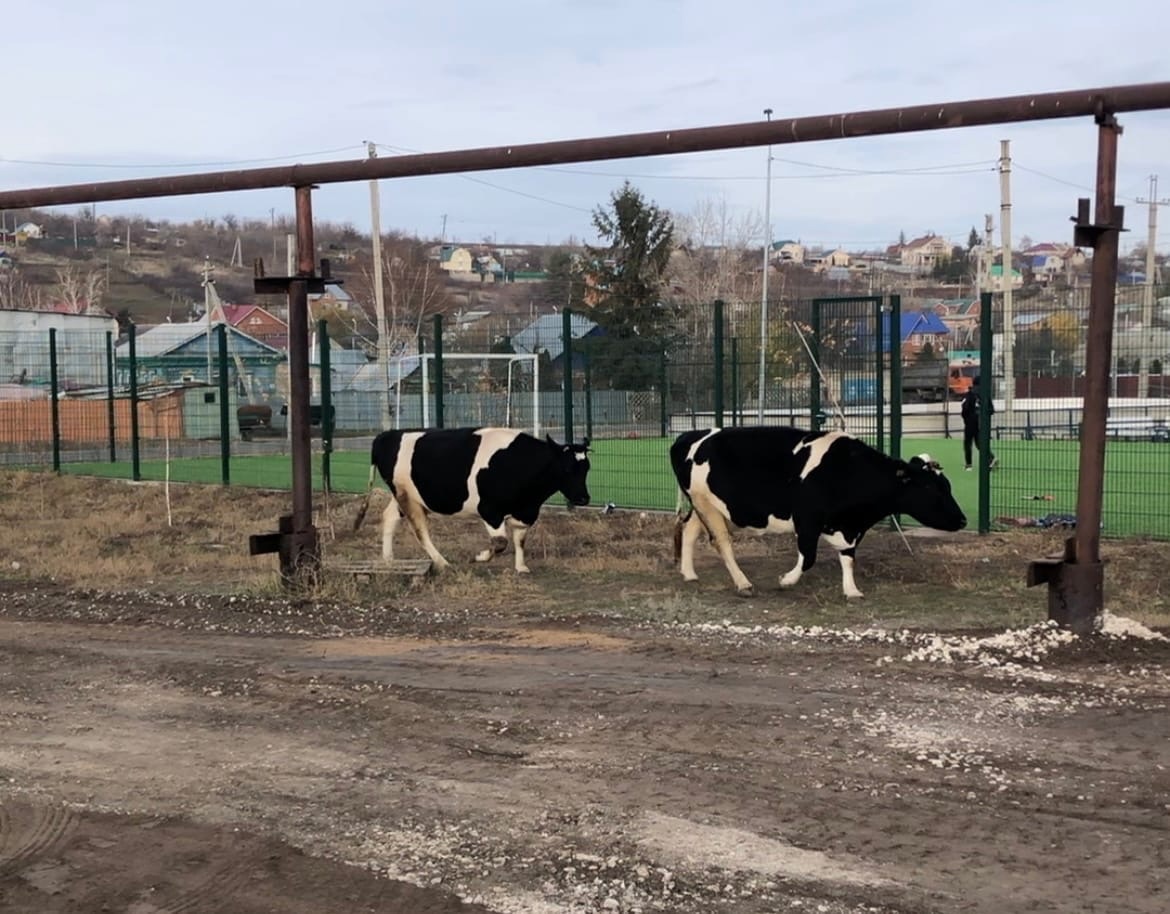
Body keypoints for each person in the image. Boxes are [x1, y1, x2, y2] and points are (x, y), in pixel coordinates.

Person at [961, 376, 997, 471]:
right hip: (982, 423)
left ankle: (969, 465)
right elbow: (991, 410)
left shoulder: (970, 394)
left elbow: (965, 408)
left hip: (970, 423)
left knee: (968, 443)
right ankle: (991, 458)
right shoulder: (985, 394)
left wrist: (966, 419)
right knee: (980, 444)